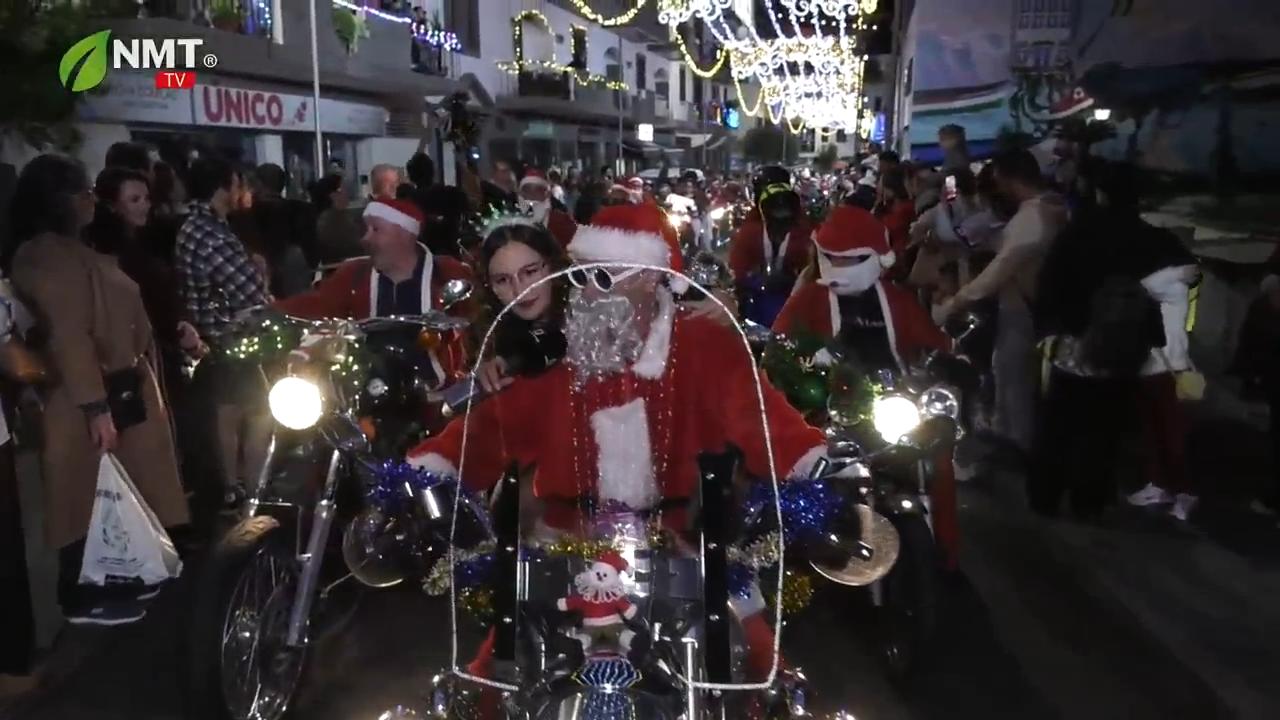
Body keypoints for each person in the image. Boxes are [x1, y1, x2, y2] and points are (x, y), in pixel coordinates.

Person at [409, 202, 829, 683]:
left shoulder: (705, 346)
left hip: (683, 546)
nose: (588, 291)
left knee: (762, 668)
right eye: (581, 275)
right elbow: (490, 429)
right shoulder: (557, 350)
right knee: (493, 675)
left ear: (650, 278)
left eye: (604, 277)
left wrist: (815, 465)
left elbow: (761, 418)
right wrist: (428, 469)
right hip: (564, 548)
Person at [7, 154, 188, 624]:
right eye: (84, 192)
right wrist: (94, 406)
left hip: (107, 387)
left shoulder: (63, 249)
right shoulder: (49, 257)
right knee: (85, 496)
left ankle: (118, 578)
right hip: (89, 395)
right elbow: (69, 334)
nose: (91, 201)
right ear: (60, 200)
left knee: (104, 492)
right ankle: (87, 592)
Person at [772, 205, 960, 569]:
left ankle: (946, 555)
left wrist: (952, 361)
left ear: (877, 258)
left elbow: (932, 341)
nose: (840, 268)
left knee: (939, 454)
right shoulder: (809, 299)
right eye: (833, 259)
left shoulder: (896, 299)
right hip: (828, 409)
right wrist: (796, 373)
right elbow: (779, 348)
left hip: (891, 405)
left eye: (851, 259)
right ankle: (789, 560)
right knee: (789, 468)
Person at [1035, 161, 1199, 519]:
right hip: (1124, 348)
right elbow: (1190, 273)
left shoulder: (1077, 235)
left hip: (1075, 345)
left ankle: (1045, 497)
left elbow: (1049, 287)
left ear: (1100, 193)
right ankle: (1089, 501)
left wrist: (1051, 330)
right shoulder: (1154, 239)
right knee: (1104, 430)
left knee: (1059, 425)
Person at [934, 149, 1067, 465]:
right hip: (1037, 307)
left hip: (1024, 310)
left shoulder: (1032, 217)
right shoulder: (1056, 207)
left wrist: (953, 303)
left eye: (998, 180)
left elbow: (998, 271)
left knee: (1013, 378)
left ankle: (1015, 449)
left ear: (1008, 179)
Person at [274, 198, 473, 386]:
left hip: (441, 395)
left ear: (405, 235)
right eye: (366, 230)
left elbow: (478, 323)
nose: (365, 238)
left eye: (376, 230)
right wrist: (270, 311)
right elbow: (319, 307)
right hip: (371, 393)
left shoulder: (447, 272)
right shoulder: (353, 274)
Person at [175, 156, 272, 512]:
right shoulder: (210, 233)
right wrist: (262, 275)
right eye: (238, 183)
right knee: (256, 415)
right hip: (232, 338)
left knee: (231, 413)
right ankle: (247, 490)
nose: (242, 190)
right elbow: (251, 292)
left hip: (216, 339)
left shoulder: (199, 226)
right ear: (224, 186)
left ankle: (237, 488)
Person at [729, 169, 813, 327]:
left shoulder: (805, 230)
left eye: (784, 206)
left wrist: (794, 279)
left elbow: (814, 267)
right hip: (757, 304)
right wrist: (752, 282)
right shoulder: (751, 229)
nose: (780, 213)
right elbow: (737, 268)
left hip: (797, 302)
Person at [311, 174, 364, 264]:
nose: (347, 193)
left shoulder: (335, 216)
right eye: (344, 189)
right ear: (334, 195)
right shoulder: (332, 221)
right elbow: (353, 248)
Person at [517, 168, 577, 247]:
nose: (532, 195)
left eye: (537, 190)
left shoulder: (562, 221)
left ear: (546, 194)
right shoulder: (513, 222)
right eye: (527, 190)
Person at [874, 166, 915, 259]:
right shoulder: (888, 206)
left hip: (901, 256)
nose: (880, 189)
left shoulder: (906, 208)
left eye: (884, 187)